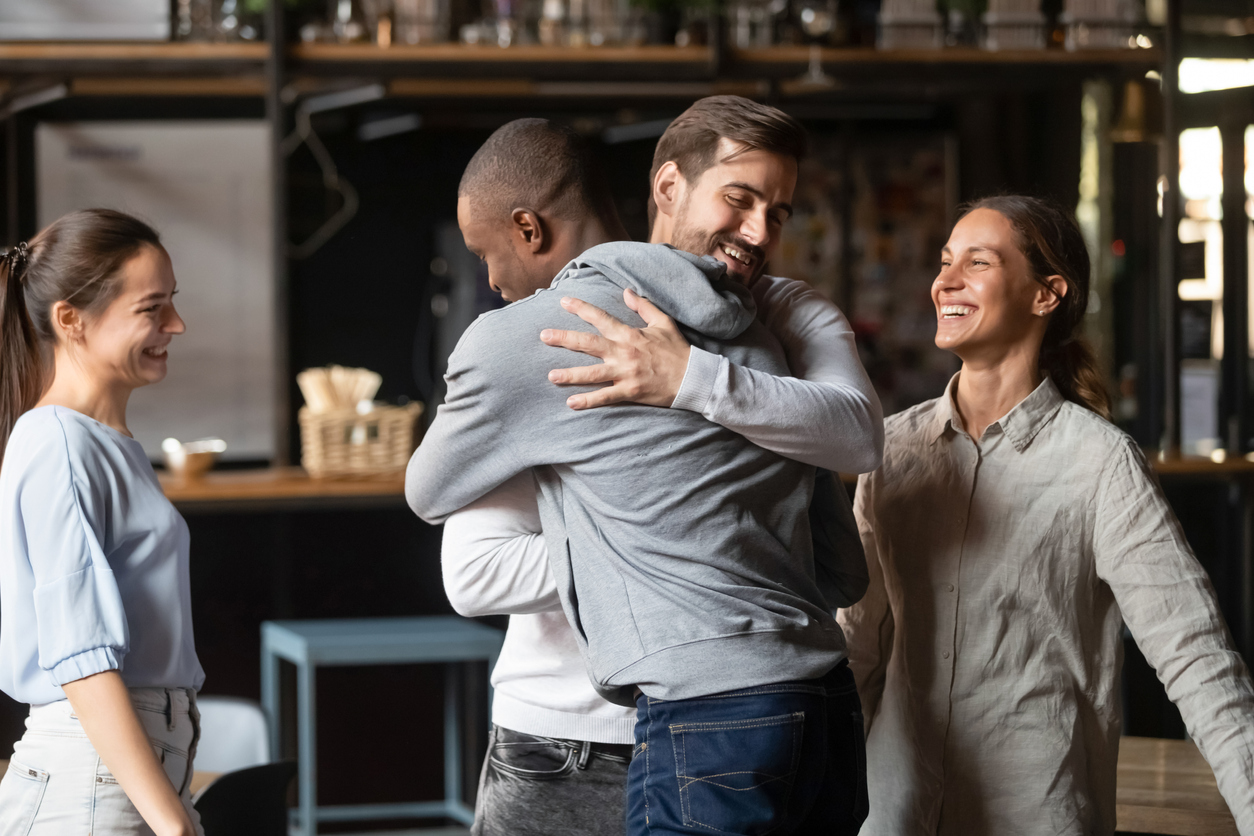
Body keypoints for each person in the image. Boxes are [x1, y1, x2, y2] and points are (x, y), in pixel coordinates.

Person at [409, 99, 877, 836]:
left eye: (777, 212)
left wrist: (686, 384)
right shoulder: (766, 337)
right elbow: (843, 570)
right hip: (817, 699)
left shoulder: (527, 340)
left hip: (695, 712)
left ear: (527, 229)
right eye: (739, 198)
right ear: (667, 188)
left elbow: (427, 493)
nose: (758, 231)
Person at [839, 195, 1254, 836]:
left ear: (1046, 294)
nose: (944, 281)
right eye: (946, 261)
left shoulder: (1101, 462)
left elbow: (1195, 655)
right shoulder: (890, 451)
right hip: (894, 815)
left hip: (1037, 816)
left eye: (977, 262)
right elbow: (856, 650)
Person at [0, 209, 204, 836]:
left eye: (172, 303)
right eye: (151, 309)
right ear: (71, 320)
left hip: (115, 774)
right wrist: (173, 823)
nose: (176, 324)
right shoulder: (59, 442)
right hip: (93, 782)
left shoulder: (102, 441)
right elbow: (83, 659)